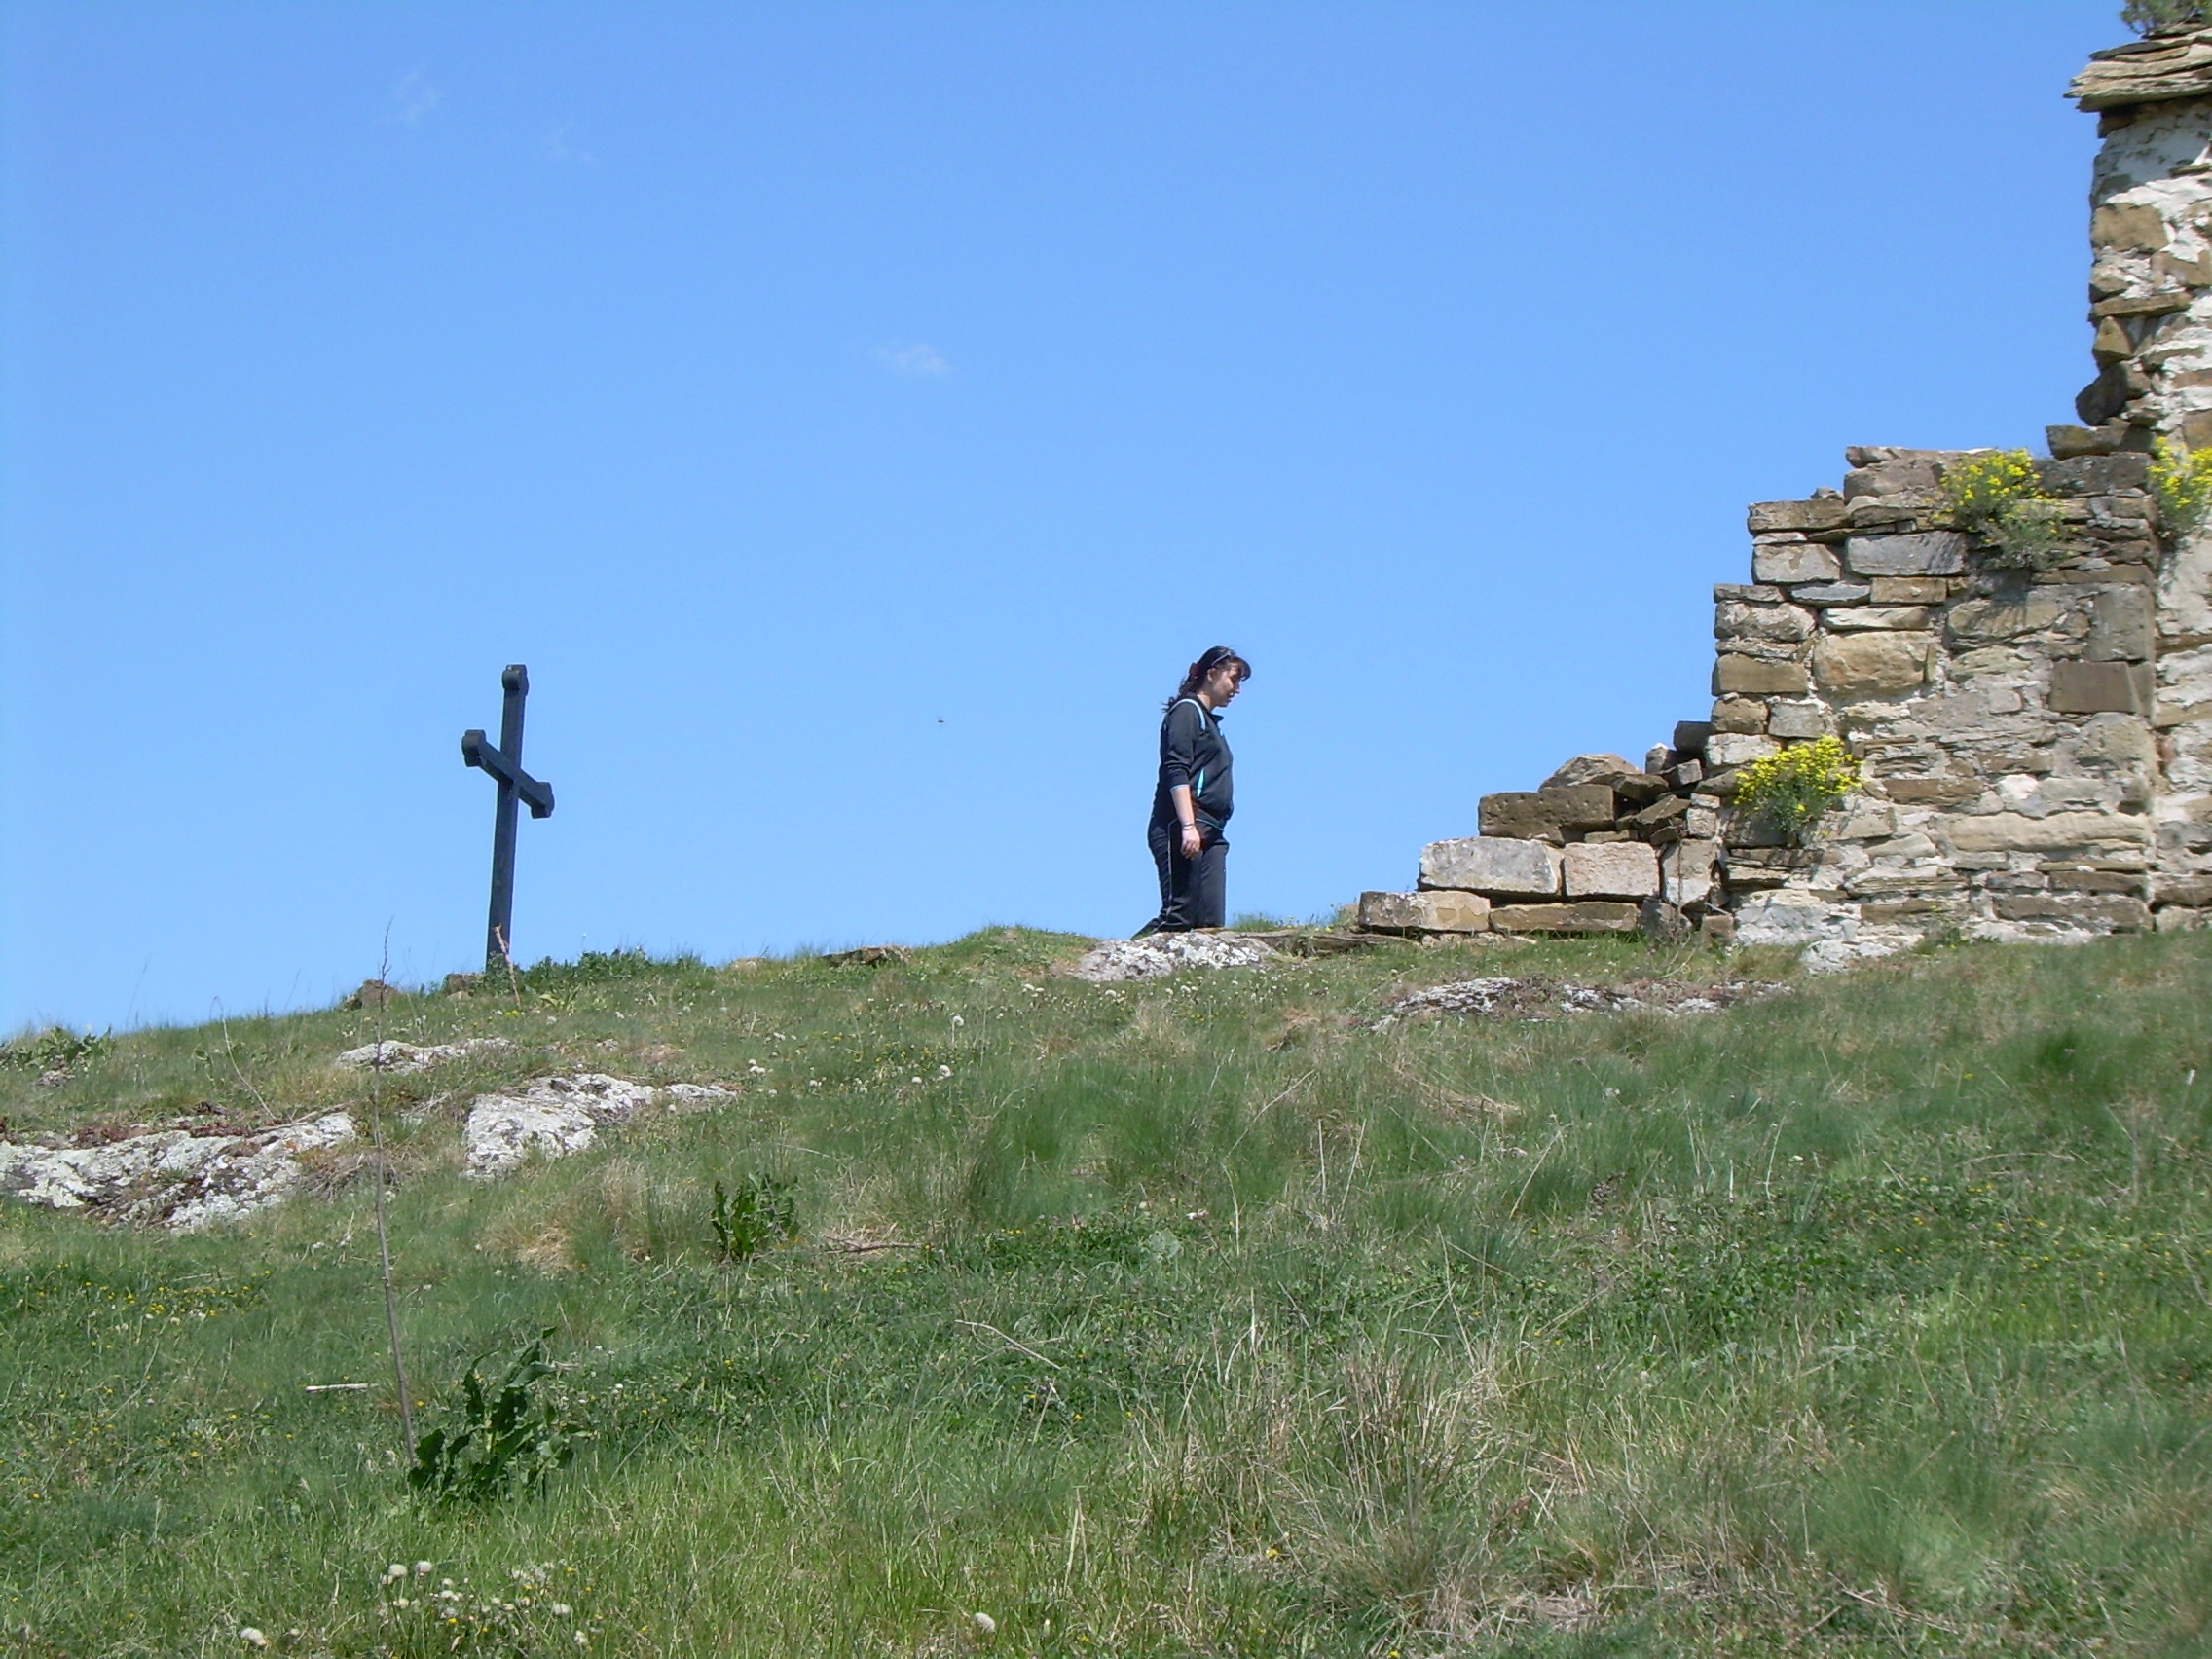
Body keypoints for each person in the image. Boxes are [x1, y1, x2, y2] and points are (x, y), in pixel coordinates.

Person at [1135, 645, 1251, 937]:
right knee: (1178, 916)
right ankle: (1116, 957)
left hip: (1213, 830)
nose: (1237, 689)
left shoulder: (1210, 721)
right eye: (1233, 679)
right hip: (1182, 825)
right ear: (1211, 674)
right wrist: (1188, 826)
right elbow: (1176, 770)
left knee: (1210, 926)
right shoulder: (1187, 711)